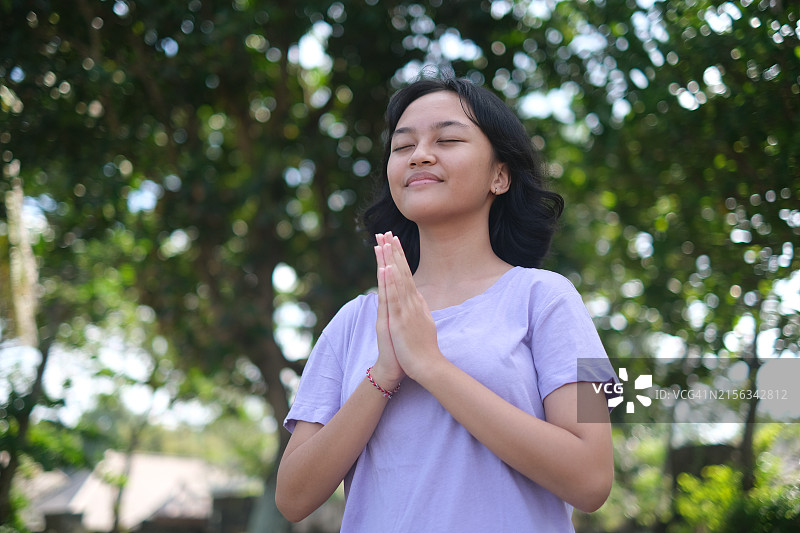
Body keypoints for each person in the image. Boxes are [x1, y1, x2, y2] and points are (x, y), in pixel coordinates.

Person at [275, 74, 618, 532]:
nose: (419, 154)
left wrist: (432, 367)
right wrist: (383, 376)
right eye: (402, 147)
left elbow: (593, 478)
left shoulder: (553, 299)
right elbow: (292, 497)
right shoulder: (352, 322)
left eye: (449, 138)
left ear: (500, 174)